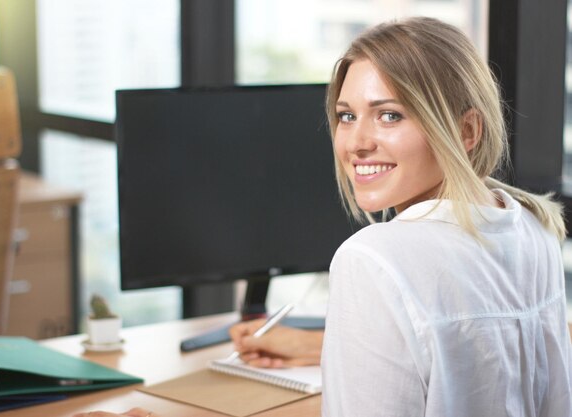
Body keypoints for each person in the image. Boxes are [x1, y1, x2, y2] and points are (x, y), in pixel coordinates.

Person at [75, 16, 572, 417]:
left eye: (391, 114)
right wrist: (328, 346)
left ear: (466, 131)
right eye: (347, 115)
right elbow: (473, 361)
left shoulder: (376, 257)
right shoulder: (533, 228)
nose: (356, 142)